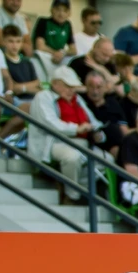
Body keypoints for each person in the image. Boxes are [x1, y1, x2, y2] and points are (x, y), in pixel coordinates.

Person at [31, 66, 109, 204]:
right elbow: (51, 124)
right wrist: (77, 129)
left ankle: (72, 185)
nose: (71, 90)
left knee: (107, 160)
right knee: (73, 157)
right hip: (54, 142)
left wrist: (98, 133)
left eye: (73, 87)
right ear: (55, 84)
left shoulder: (77, 99)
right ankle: (71, 196)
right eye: (67, 86)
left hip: (80, 142)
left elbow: (92, 120)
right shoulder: (43, 97)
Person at [32, 0, 74, 75]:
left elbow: (74, 50)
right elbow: (40, 46)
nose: (61, 14)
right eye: (58, 9)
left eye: (65, 11)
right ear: (52, 10)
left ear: (69, 13)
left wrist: (63, 53)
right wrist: (55, 53)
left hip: (58, 59)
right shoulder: (43, 22)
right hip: (42, 59)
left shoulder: (67, 25)